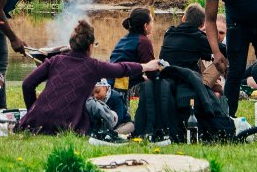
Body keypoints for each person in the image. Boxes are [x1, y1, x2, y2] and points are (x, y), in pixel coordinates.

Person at [16, 19, 161, 135]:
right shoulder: (93, 66)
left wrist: (32, 111)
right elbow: (122, 68)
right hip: (65, 125)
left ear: (71, 44)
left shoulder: (55, 60)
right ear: (90, 46)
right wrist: (146, 66)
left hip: (35, 122)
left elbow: (27, 84)